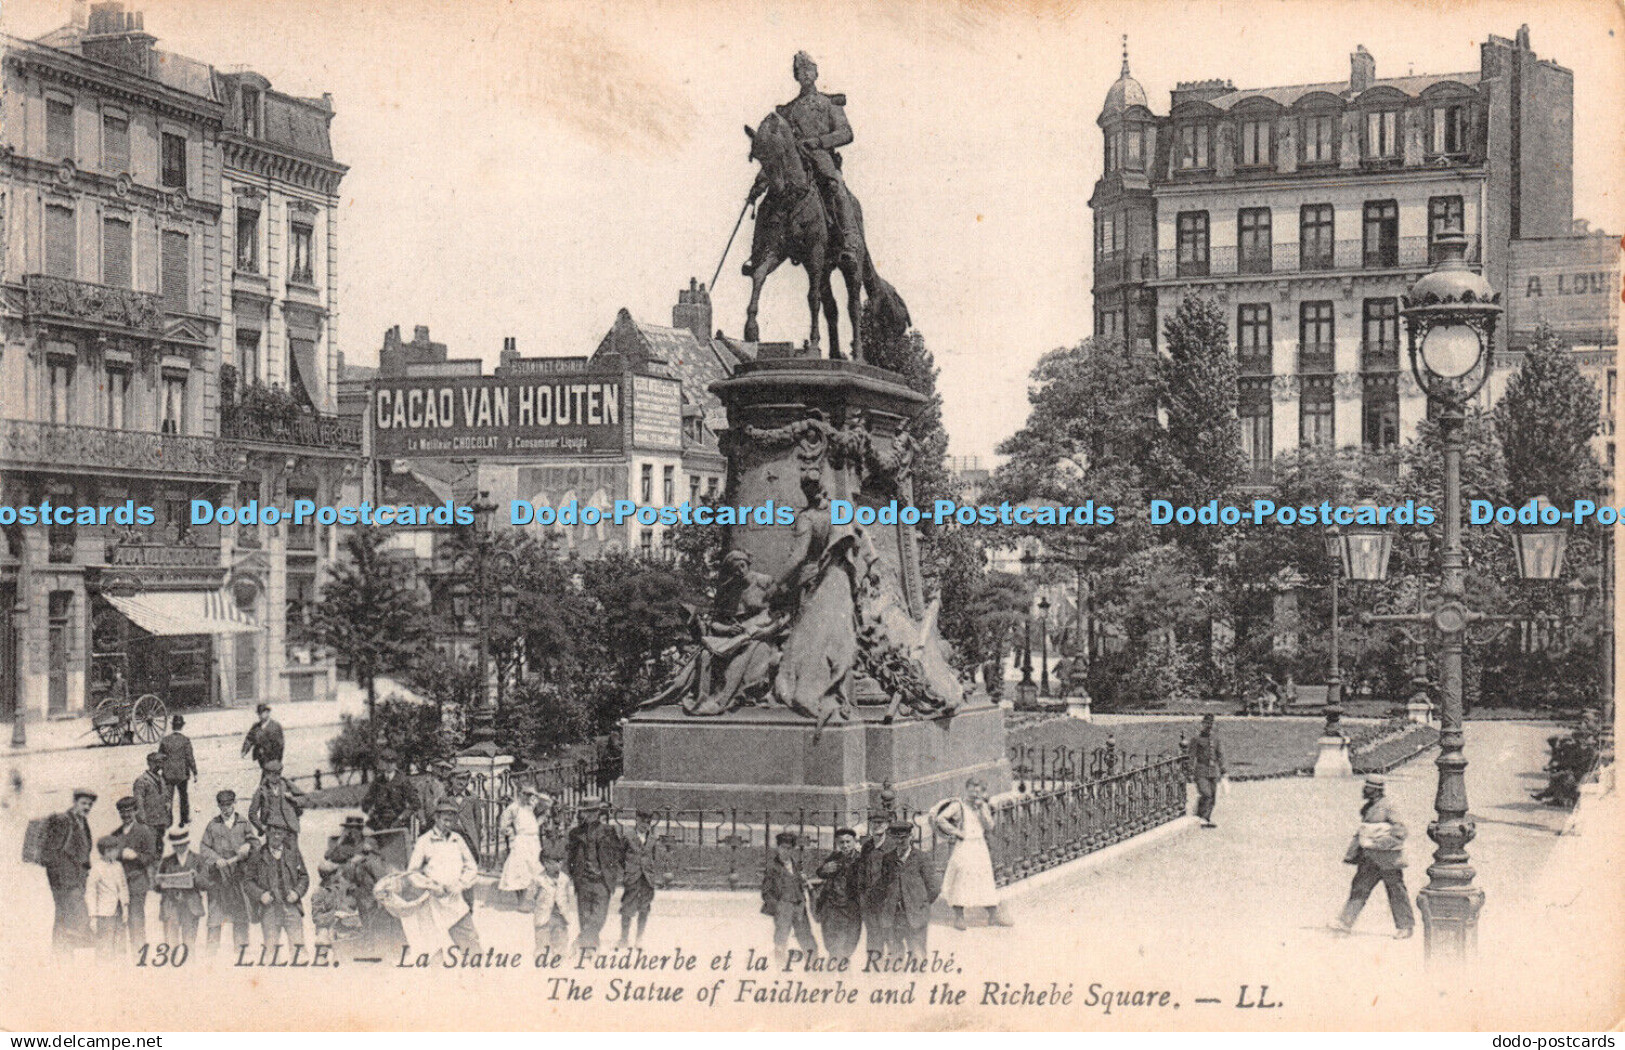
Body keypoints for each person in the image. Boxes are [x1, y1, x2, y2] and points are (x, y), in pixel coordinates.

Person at [745, 51, 861, 270]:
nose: (805, 74)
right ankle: (758, 252)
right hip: (794, 163)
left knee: (836, 186)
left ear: (816, 73)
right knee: (768, 202)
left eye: (808, 70)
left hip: (821, 157)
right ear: (796, 76)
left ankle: (850, 241)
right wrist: (760, 182)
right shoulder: (788, 110)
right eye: (800, 71)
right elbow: (777, 152)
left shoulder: (830, 103)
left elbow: (846, 133)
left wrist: (818, 142)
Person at [1334, 775, 1415, 939]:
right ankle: (1345, 923)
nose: (1364, 789)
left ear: (1376, 790)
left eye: (1368, 787)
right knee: (1359, 889)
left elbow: (1401, 831)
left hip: (1387, 860)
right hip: (1368, 858)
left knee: (1396, 891)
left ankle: (1405, 927)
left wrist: (1379, 842)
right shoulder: (1369, 807)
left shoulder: (1388, 807)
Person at [407, 799, 482, 953]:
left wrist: (460, 884)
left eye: (452, 821)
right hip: (432, 901)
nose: (448, 825)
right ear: (436, 818)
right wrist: (431, 886)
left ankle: (478, 975)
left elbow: (471, 867)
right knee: (433, 948)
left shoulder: (457, 839)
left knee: (471, 942)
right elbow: (412, 873)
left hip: (455, 899)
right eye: (445, 820)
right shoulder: (424, 841)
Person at [933, 778, 1010, 930]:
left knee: (984, 878)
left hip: (979, 846)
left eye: (978, 790)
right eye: (972, 789)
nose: (975, 793)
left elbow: (990, 826)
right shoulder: (958, 806)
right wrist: (956, 831)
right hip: (964, 845)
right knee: (962, 878)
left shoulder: (982, 806)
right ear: (966, 789)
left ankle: (993, 915)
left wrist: (982, 809)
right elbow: (940, 819)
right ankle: (959, 917)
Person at [866, 821, 939, 957]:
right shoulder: (888, 858)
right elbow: (883, 884)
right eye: (896, 838)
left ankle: (919, 978)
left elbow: (933, 888)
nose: (900, 841)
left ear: (911, 836)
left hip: (915, 916)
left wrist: (920, 905)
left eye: (904, 837)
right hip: (893, 916)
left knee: (918, 954)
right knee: (894, 955)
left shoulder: (922, 858)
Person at [198, 789, 256, 956]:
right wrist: (216, 859)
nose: (226, 809)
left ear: (234, 804)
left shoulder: (243, 824)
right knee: (215, 918)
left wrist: (248, 847)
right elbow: (204, 847)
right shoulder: (213, 825)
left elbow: (255, 845)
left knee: (240, 917)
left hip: (238, 879)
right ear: (218, 806)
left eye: (229, 805)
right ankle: (211, 957)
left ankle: (241, 954)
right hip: (218, 879)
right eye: (222, 805)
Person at [40, 788, 96, 955]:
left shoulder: (82, 821)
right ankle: (63, 953)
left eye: (89, 804)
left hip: (76, 879)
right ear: (75, 802)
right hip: (64, 880)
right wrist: (60, 880)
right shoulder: (64, 821)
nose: (87, 807)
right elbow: (52, 852)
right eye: (83, 803)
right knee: (74, 914)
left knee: (63, 916)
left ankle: (62, 954)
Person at [566, 798, 623, 953]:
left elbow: (617, 854)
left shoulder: (608, 831)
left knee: (598, 918)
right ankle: (590, 950)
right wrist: (574, 874)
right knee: (584, 917)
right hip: (583, 880)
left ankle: (580, 941)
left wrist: (612, 875)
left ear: (598, 812)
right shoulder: (575, 833)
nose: (588, 815)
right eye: (586, 811)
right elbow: (570, 856)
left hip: (601, 881)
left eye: (592, 811)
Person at [245, 827, 310, 948]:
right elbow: (248, 882)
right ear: (267, 833)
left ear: (285, 834)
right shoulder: (257, 855)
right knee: (270, 949)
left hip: (291, 908)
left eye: (279, 833)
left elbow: (304, 876)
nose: (276, 836)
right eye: (272, 833)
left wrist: (296, 893)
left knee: (298, 948)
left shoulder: (293, 852)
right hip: (269, 909)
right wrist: (260, 895)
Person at [110, 795, 159, 951]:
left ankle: (140, 960)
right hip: (118, 886)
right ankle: (121, 963)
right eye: (122, 813)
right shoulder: (116, 834)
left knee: (136, 922)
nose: (126, 815)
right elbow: (109, 855)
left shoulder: (144, 831)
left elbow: (152, 856)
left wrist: (136, 856)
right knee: (118, 924)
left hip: (136, 884)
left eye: (129, 812)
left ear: (136, 811)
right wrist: (118, 855)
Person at [761, 831, 817, 966]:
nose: (786, 851)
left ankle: (814, 967)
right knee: (781, 940)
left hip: (799, 907)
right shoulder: (772, 867)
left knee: (806, 938)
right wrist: (778, 907)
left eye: (789, 848)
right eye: (783, 848)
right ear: (778, 848)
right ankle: (781, 970)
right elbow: (766, 892)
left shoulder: (796, 865)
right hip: (783, 907)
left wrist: (803, 882)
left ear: (793, 849)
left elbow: (800, 884)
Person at [362, 749, 421, 866]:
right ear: (382, 763)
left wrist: (401, 818)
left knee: (399, 858)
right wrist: (371, 812)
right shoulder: (378, 782)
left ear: (396, 763)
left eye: (392, 762)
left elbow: (415, 803)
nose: (389, 765)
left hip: (398, 825)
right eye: (386, 762)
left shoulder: (402, 780)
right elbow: (366, 803)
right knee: (367, 848)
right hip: (379, 825)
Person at [814, 827, 865, 960]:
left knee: (849, 945)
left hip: (852, 908)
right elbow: (820, 872)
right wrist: (825, 869)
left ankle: (842, 971)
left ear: (855, 842)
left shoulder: (861, 859)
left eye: (848, 842)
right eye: (841, 842)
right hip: (832, 908)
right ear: (837, 843)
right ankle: (833, 973)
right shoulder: (834, 857)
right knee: (833, 946)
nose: (845, 845)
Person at [156, 826, 206, 947]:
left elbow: (206, 884)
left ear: (187, 843)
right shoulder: (166, 861)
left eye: (182, 844)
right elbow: (157, 887)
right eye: (175, 845)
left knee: (189, 944)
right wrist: (159, 882)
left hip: (191, 906)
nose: (179, 848)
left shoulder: (198, 859)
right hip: (171, 906)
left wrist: (196, 877)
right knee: (171, 942)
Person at [617, 810, 660, 949]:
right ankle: (624, 939)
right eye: (642, 822)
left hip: (647, 879)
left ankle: (639, 939)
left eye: (648, 823)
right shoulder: (628, 836)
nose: (645, 825)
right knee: (627, 908)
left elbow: (653, 858)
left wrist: (651, 873)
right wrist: (628, 870)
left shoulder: (653, 839)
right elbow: (620, 856)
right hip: (632, 877)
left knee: (644, 909)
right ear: (637, 820)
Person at [498, 785, 545, 906]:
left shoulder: (530, 806)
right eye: (526, 794)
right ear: (520, 794)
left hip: (533, 842)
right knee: (519, 871)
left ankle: (529, 900)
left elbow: (548, 803)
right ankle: (522, 901)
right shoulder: (513, 808)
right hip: (521, 841)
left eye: (530, 795)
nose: (529, 797)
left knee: (533, 870)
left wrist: (536, 794)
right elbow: (503, 825)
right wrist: (512, 834)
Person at [530, 842, 578, 955]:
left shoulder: (565, 879)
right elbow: (532, 896)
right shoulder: (538, 879)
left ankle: (559, 964)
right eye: (555, 862)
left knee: (561, 944)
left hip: (560, 917)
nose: (559, 864)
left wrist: (566, 911)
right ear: (546, 863)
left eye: (560, 861)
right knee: (542, 945)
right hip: (543, 918)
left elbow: (567, 897)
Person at [87, 835, 129, 963]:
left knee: (120, 945)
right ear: (106, 851)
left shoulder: (118, 866)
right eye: (115, 850)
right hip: (104, 913)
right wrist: (93, 916)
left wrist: (125, 907)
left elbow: (123, 886)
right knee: (104, 947)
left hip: (119, 911)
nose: (117, 852)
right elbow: (90, 892)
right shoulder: (96, 868)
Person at [157, 714, 198, 827]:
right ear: (182, 726)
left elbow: (159, 757)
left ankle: (168, 821)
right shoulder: (185, 740)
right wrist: (195, 772)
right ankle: (184, 819)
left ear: (172, 726)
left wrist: (158, 771)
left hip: (168, 774)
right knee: (183, 796)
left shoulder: (165, 740)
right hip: (182, 774)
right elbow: (190, 758)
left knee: (168, 797)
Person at [249, 759, 306, 839]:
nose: (276, 777)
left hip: (290, 827)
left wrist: (292, 799)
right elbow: (252, 813)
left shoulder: (286, 784)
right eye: (273, 774)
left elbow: (304, 798)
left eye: (278, 774)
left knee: (293, 850)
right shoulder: (261, 790)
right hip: (272, 829)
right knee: (275, 851)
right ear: (267, 775)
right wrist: (261, 827)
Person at [1189, 714, 1226, 828]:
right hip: (1201, 770)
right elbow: (1191, 756)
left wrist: (1223, 770)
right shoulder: (1196, 739)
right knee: (1206, 794)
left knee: (1213, 796)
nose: (1209, 727)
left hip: (1213, 771)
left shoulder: (1216, 739)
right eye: (1206, 724)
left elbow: (1220, 755)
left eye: (1211, 724)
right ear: (1202, 725)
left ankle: (1205, 818)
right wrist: (1190, 770)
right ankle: (1202, 816)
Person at [133, 752, 170, 834]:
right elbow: (138, 800)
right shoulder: (142, 780)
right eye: (157, 762)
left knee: (160, 843)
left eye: (161, 762)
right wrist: (142, 817)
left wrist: (167, 802)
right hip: (149, 821)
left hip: (161, 819)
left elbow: (166, 794)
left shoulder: (161, 779)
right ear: (150, 763)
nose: (160, 765)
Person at [242, 703, 285, 771]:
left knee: (270, 777)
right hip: (260, 757)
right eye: (259, 713)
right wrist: (244, 750)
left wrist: (277, 760)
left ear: (268, 713)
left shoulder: (275, 726)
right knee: (266, 774)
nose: (260, 715)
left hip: (272, 758)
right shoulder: (256, 726)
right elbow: (249, 739)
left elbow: (280, 744)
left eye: (262, 713)